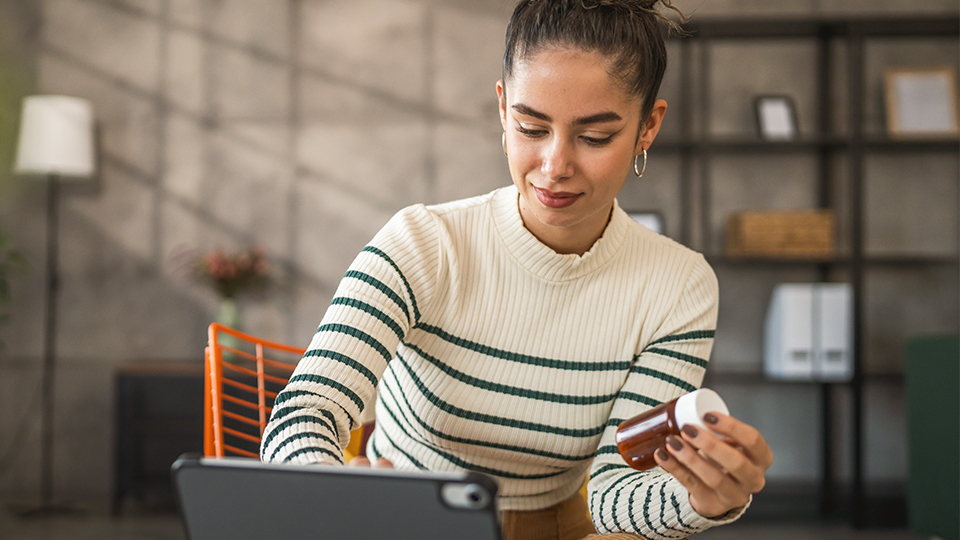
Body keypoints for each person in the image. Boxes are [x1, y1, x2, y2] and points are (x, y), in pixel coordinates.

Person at [260, 0, 773, 538]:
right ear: (504, 109)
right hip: (405, 518)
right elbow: (304, 410)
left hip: (558, 527)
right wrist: (327, 489)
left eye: (595, 137)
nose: (555, 167)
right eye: (531, 127)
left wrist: (701, 500)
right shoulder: (424, 245)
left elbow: (615, 496)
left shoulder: (678, 288)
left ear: (648, 127)